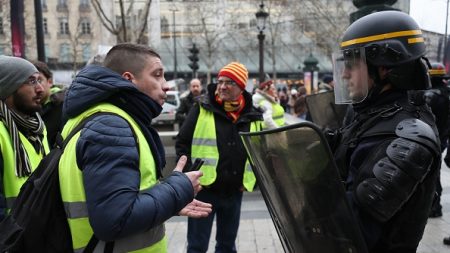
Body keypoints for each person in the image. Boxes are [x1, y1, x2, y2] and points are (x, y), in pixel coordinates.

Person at [57, 43, 212, 252]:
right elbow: (115, 219)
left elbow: (121, 201)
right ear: (129, 79)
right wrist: (178, 188)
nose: (166, 85)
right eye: (157, 75)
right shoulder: (111, 127)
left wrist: (169, 202)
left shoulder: (93, 117)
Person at [329, 11, 440, 252]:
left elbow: (351, 235)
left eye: (352, 64)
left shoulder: (405, 136)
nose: (345, 74)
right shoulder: (373, 115)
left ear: (385, 69)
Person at [175, 62, 263, 253]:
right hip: (204, 190)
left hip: (234, 191)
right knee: (197, 246)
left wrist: (251, 181)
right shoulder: (202, 107)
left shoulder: (253, 114)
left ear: (241, 87)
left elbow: (260, 152)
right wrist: (190, 178)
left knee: (227, 246)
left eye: (229, 82)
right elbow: (182, 143)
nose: (222, 86)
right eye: (220, 81)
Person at [0, 56, 50, 221]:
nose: (41, 89)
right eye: (31, 82)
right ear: (8, 89)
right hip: (11, 240)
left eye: (39, 80)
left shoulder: (37, 128)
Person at [423, 62, 450, 218]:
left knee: (431, 174)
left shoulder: (429, 95)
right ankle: (434, 205)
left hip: (430, 138)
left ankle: (434, 206)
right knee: (435, 173)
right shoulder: (446, 93)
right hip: (442, 138)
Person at [32, 60, 66, 147]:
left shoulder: (64, 105)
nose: (37, 87)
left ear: (50, 82)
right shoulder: (28, 107)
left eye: (39, 80)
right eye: (31, 82)